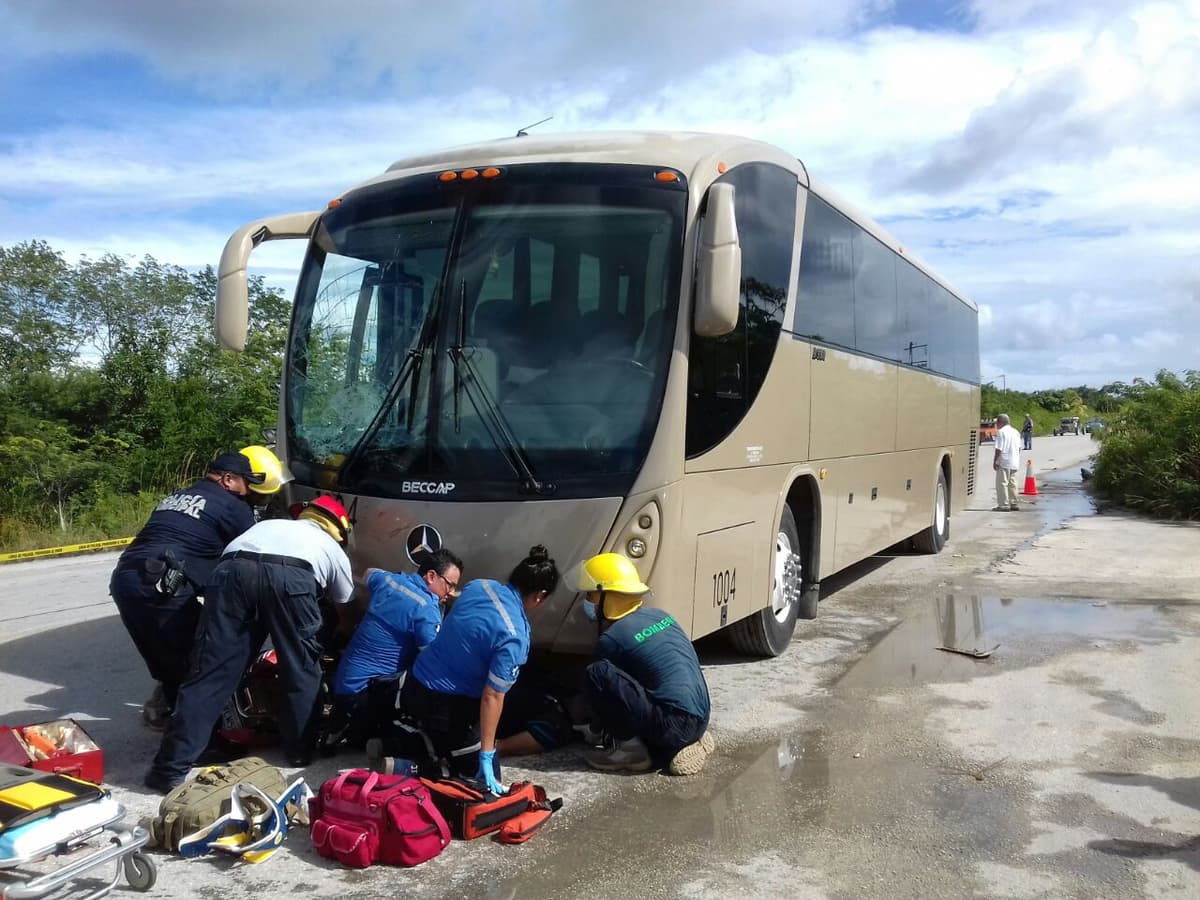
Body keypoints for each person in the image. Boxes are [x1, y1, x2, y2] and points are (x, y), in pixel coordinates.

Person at [144, 494, 355, 793]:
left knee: (211, 673)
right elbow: (345, 608)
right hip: (292, 577)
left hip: (232, 570)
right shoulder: (331, 549)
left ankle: (168, 768)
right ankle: (298, 751)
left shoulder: (266, 527)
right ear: (339, 530)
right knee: (300, 670)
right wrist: (334, 637)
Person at [109, 446, 287, 728]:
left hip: (124, 580)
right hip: (163, 584)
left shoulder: (177, 495)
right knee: (201, 659)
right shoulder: (233, 506)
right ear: (228, 479)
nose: (251, 494)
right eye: (248, 486)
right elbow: (254, 553)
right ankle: (200, 735)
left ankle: (169, 710)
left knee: (163, 656)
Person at [375, 546, 560, 794]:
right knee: (484, 781)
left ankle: (404, 741)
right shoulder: (515, 635)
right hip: (445, 707)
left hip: (414, 685)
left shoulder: (479, 586)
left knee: (449, 733)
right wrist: (486, 752)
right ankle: (416, 766)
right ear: (540, 596)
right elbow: (492, 696)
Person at [576, 552, 714, 776]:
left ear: (608, 598)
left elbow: (605, 695)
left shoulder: (612, 639)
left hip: (675, 725)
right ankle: (688, 740)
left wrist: (596, 729)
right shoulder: (659, 615)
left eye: (591, 595)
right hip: (702, 715)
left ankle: (631, 752)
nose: (588, 602)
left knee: (597, 673)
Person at [323, 548, 464, 752]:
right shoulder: (426, 609)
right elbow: (435, 661)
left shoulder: (388, 581)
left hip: (345, 683)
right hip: (368, 695)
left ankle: (342, 718)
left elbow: (369, 572)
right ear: (431, 576)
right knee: (427, 676)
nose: (450, 593)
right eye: (450, 585)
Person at [993, 413, 1022, 512]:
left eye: (997, 422)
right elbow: (1019, 448)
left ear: (1001, 422)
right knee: (1013, 483)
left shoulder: (1001, 432)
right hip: (1014, 461)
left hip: (1004, 461)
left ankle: (1004, 504)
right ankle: (1014, 503)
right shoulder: (1016, 432)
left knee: (1002, 483)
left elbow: (999, 449)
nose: (996, 425)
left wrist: (996, 461)